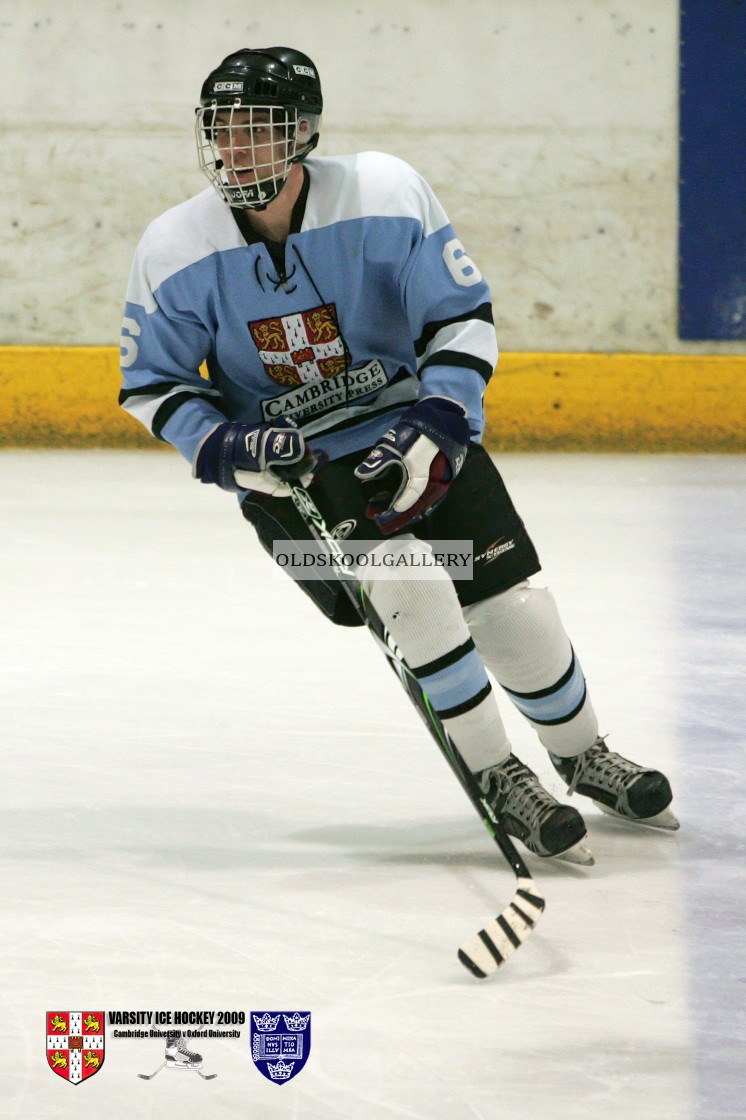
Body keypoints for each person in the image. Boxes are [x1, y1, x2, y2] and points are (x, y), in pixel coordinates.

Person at [119, 46, 677, 862]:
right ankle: (495, 772)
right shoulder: (173, 248)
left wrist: (444, 417)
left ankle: (582, 754)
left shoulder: (386, 193)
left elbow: (461, 316)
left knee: (513, 607)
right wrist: (231, 445)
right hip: (296, 478)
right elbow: (154, 385)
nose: (233, 149)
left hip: (412, 433)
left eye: (257, 129)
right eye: (220, 130)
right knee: (411, 583)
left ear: (304, 132)